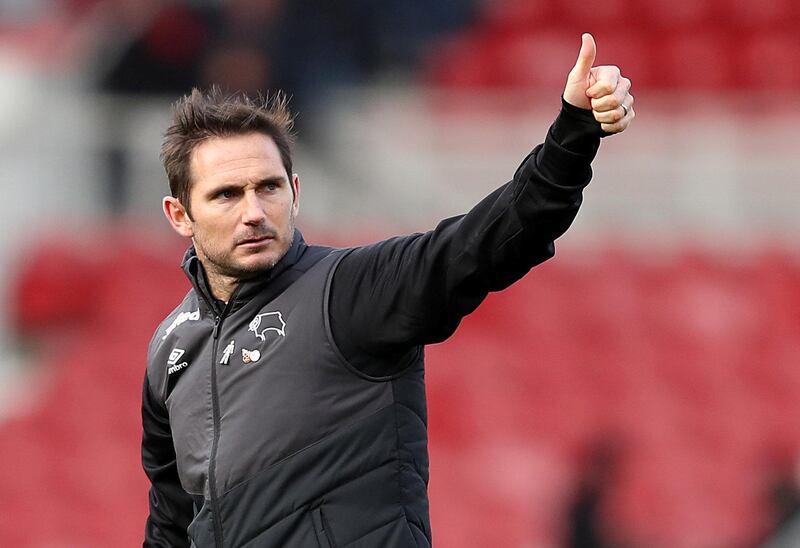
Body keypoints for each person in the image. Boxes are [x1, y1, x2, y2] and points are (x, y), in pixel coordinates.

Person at [142, 33, 634, 548]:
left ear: (296, 191)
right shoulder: (170, 353)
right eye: (226, 195)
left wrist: (574, 131)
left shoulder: (350, 291)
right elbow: (171, 525)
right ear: (180, 215)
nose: (254, 212)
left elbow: (493, 239)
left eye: (269, 187)